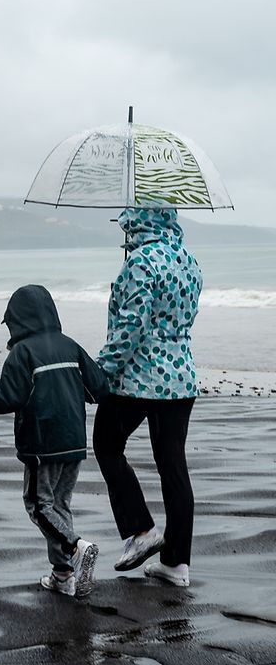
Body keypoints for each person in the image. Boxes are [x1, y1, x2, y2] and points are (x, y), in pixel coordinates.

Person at [0, 284, 109, 597]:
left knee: (39, 507)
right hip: (75, 442)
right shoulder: (71, 346)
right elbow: (98, 390)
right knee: (59, 504)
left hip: (42, 443)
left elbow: (7, 399)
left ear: (18, 320)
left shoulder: (22, 354)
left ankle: (76, 547)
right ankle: (63, 575)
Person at [93, 207, 203, 588]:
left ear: (140, 223)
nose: (125, 229)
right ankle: (176, 564)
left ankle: (141, 530)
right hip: (181, 378)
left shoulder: (141, 262)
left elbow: (130, 327)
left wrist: (99, 369)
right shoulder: (189, 262)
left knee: (106, 444)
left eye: (129, 223)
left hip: (139, 379)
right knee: (173, 465)